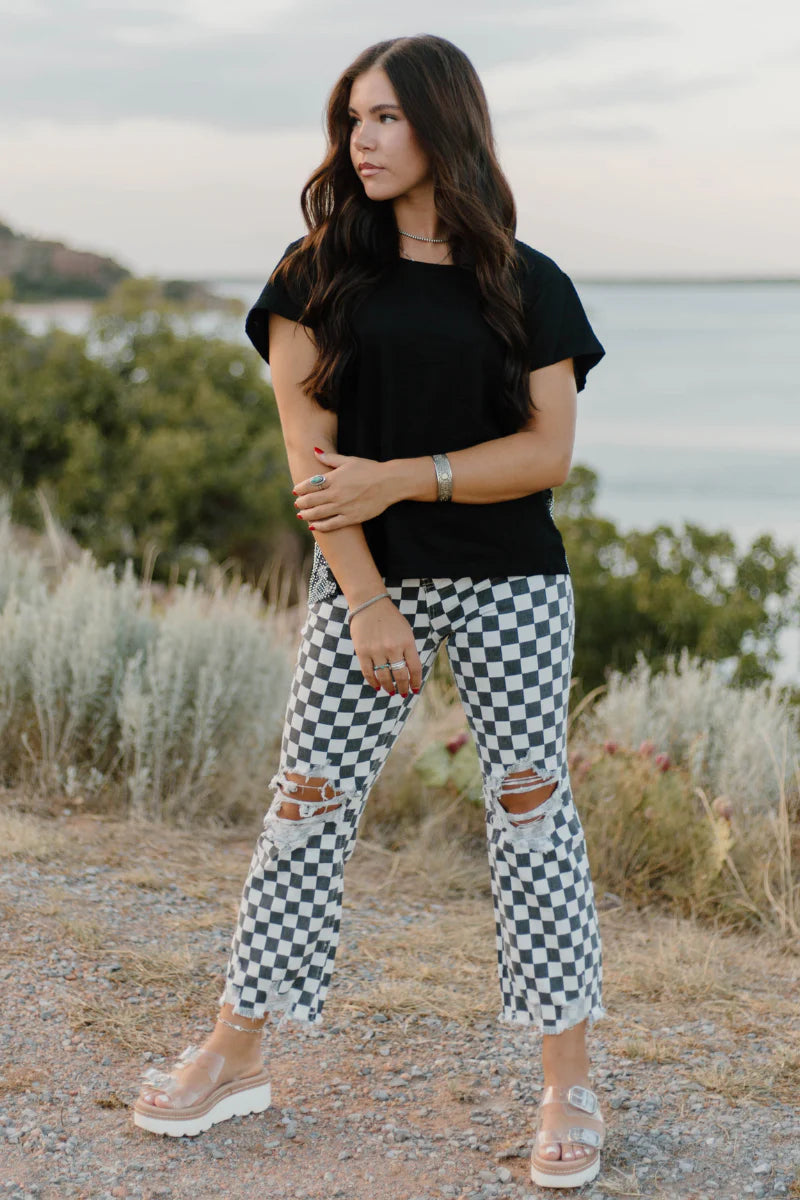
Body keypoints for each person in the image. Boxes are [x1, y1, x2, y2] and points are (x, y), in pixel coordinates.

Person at [132, 33, 608, 1190]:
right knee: (303, 805)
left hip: (511, 584)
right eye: (353, 118)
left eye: (387, 116)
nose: (363, 138)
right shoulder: (314, 277)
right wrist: (367, 602)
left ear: (445, 124)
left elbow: (544, 454)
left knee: (532, 814)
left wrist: (400, 478)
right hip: (365, 588)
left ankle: (568, 1082)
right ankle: (235, 1050)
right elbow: (311, 462)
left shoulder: (527, 282)